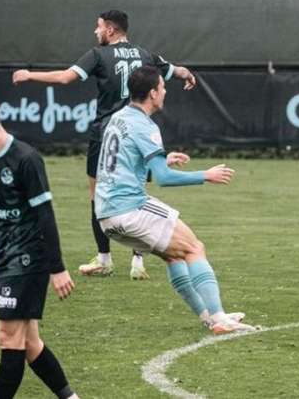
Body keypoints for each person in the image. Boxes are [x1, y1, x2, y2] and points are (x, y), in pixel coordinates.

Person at [12, 10, 197, 280]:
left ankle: (104, 259)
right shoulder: (145, 54)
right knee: (137, 192)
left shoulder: (98, 55)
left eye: (98, 27)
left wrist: (29, 75)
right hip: (136, 131)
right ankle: (138, 263)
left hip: (107, 133)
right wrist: (188, 75)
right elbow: (174, 71)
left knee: (97, 195)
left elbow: (65, 78)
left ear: (110, 30)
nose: (95, 32)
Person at [93, 65, 253, 334]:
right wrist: (206, 175)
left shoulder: (118, 118)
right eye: (163, 87)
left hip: (105, 214)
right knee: (193, 248)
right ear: (153, 93)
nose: (165, 91)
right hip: (129, 208)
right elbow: (165, 179)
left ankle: (207, 317)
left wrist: (160, 160)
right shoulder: (146, 126)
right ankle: (220, 318)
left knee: (174, 257)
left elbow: (123, 164)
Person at [0, 92, 79, 399]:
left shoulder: (26, 159)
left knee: (8, 338)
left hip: (28, 259)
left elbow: (45, 215)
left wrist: (56, 268)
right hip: (4, 259)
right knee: (30, 343)